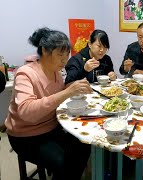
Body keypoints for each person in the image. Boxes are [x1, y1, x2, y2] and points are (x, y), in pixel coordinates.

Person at [5, 27, 92, 180]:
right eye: (60, 55)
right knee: (63, 162)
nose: (65, 60)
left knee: (84, 143)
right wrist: (67, 92)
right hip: (26, 135)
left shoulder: (56, 72)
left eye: (67, 55)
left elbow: (55, 93)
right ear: (45, 51)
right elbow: (27, 112)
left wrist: (70, 87)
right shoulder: (25, 73)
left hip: (51, 127)